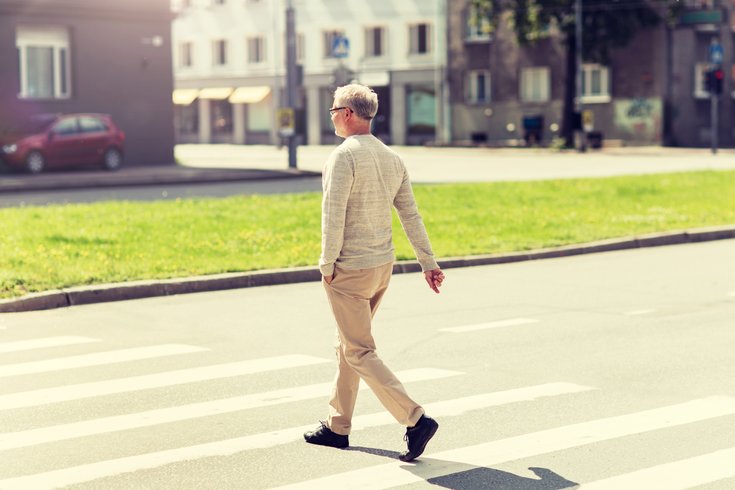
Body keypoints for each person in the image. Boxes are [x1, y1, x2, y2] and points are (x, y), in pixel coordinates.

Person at [304, 83, 445, 462]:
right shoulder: (391, 158)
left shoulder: (343, 157)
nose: (331, 115)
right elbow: (410, 214)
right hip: (382, 267)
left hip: (348, 269)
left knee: (359, 350)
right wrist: (427, 262)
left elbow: (332, 217)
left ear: (348, 113)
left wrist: (326, 264)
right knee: (348, 346)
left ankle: (415, 419)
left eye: (334, 109)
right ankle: (338, 427)